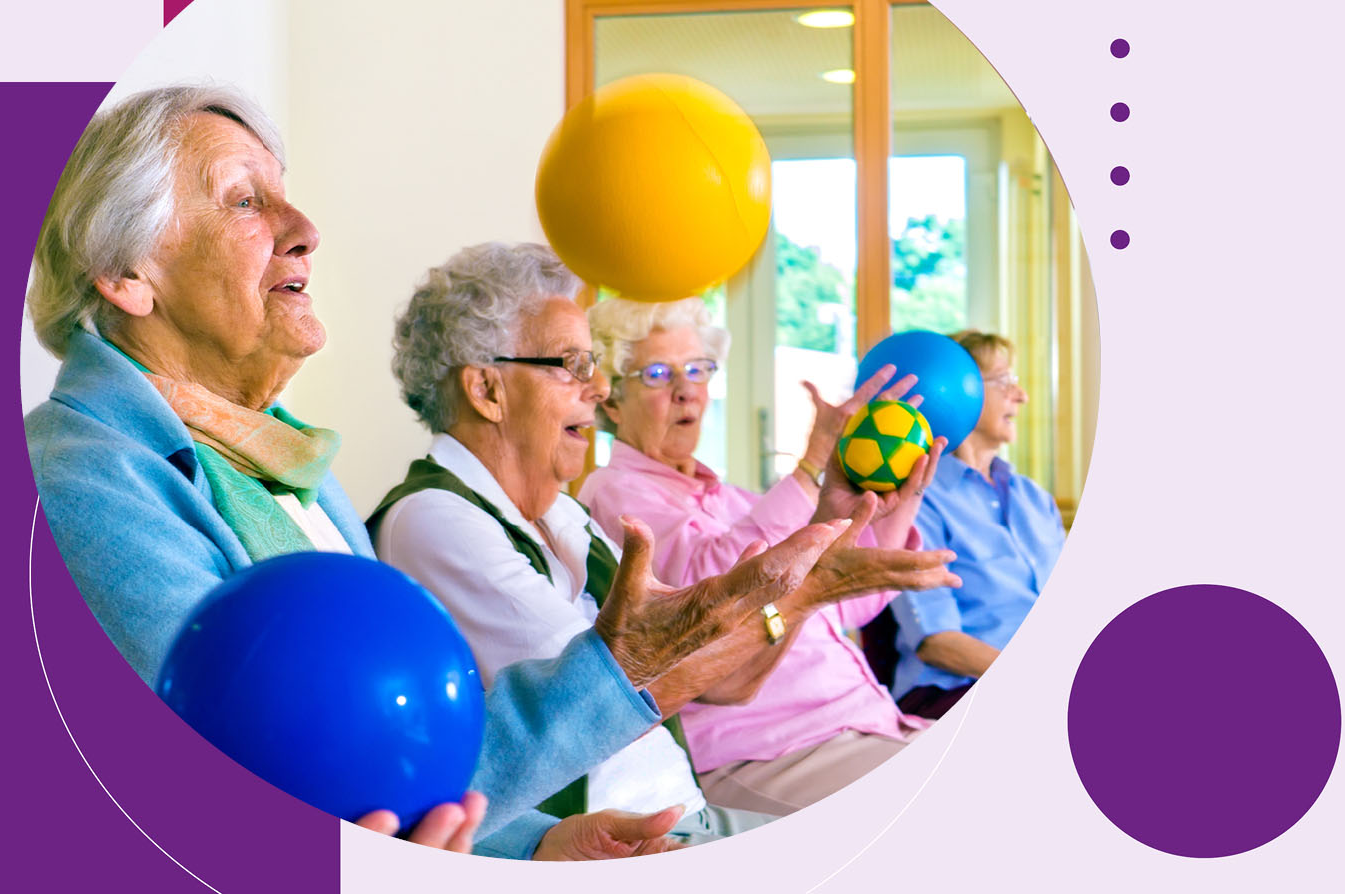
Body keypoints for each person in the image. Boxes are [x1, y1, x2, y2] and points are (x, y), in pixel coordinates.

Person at [23, 85, 827, 860]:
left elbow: (399, 751)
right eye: (244, 201)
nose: (303, 228)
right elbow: (272, 778)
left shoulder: (288, 461)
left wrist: (529, 846)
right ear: (128, 275)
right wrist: (637, 657)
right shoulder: (83, 478)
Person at [370, 245, 959, 837]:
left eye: (594, 364)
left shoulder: (565, 518)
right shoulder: (439, 520)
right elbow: (599, 698)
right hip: (615, 837)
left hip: (680, 809)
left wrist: (837, 540)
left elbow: (724, 678)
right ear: (487, 391)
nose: (596, 388)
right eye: (571, 364)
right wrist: (806, 590)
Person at [578, 295, 952, 816]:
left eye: (698, 369)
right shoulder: (614, 493)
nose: (686, 389)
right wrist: (810, 468)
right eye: (659, 373)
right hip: (762, 750)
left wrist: (896, 501)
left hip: (864, 724)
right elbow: (718, 586)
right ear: (612, 402)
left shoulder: (734, 500)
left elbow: (843, 604)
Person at [888, 330, 1067, 718]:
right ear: (956, 390)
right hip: (954, 690)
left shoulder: (1034, 499)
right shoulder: (917, 502)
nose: (1021, 396)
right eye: (1004, 382)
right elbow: (936, 640)